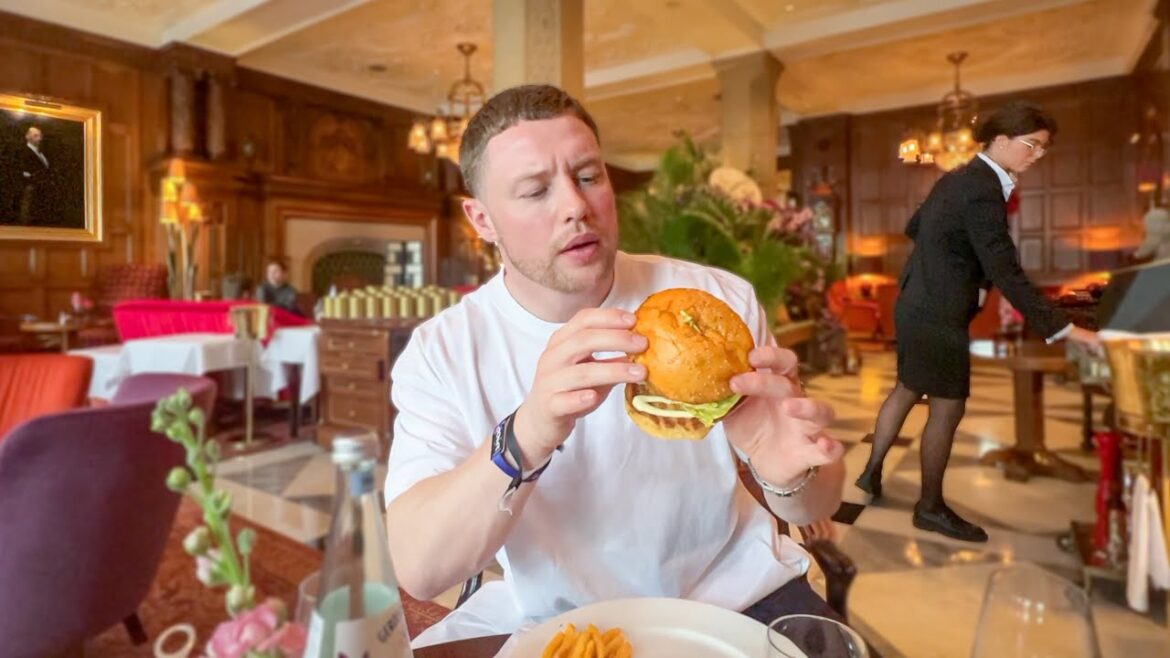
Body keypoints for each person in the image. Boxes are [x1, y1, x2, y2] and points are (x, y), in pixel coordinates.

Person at [383, 84, 846, 647]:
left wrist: (790, 474)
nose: (575, 206)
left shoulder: (714, 298)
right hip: (564, 625)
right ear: (482, 220)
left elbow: (816, 502)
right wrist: (527, 433)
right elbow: (420, 568)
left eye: (588, 176)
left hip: (742, 596)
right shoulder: (444, 351)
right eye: (534, 191)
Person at [854, 101, 1101, 543]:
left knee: (907, 388)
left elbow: (916, 227)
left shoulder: (956, 179)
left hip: (914, 302)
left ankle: (871, 474)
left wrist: (967, 273)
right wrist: (1063, 328)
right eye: (1032, 145)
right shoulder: (981, 188)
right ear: (1001, 140)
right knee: (947, 408)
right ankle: (929, 507)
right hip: (939, 311)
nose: (1037, 155)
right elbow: (1005, 266)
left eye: (1043, 148)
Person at [17, 126, 51, 225]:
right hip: (30, 188)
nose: (39, 138)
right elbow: (23, 172)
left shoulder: (41, 152)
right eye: (36, 135)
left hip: (42, 190)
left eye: (40, 136)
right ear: (27, 137)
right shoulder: (23, 151)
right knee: (27, 213)